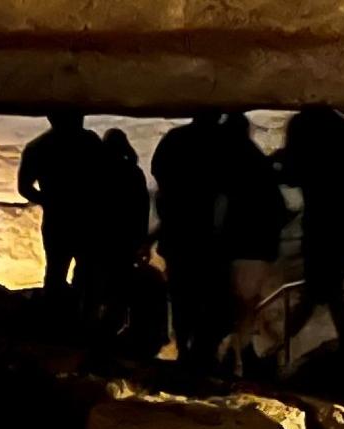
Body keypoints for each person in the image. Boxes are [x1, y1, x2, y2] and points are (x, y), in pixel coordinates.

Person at [276, 106, 344, 349]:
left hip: (321, 225)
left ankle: (275, 352)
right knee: (329, 292)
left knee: (320, 293)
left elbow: (295, 173)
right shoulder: (338, 127)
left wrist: (273, 164)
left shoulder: (306, 126)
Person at [152, 112, 230, 367]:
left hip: (180, 232)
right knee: (206, 294)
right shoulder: (222, 141)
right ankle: (202, 350)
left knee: (183, 294)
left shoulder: (176, 139)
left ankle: (186, 346)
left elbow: (159, 172)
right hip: (209, 235)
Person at [217, 113, 288, 371]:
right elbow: (277, 206)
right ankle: (240, 353)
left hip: (240, 244)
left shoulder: (230, 161)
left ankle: (236, 355)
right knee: (244, 303)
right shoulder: (255, 161)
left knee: (238, 303)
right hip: (255, 245)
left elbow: (222, 203)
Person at [17, 112, 104, 304]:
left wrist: (48, 200)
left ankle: (55, 321)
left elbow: (24, 187)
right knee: (87, 274)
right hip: (87, 219)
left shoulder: (38, 147)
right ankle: (83, 322)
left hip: (59, 220)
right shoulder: (90, 142)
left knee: (56, 272)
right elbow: (105, 179)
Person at [83, 129, 150, 336]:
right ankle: (111, 334)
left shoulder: (95, 173)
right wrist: (141, 242)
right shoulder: (133, 173)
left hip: (98, 241)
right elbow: (141, 210)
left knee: (93, 289)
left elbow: (86, 207)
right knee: (119, 291)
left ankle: (89, 332)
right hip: (124, 242)